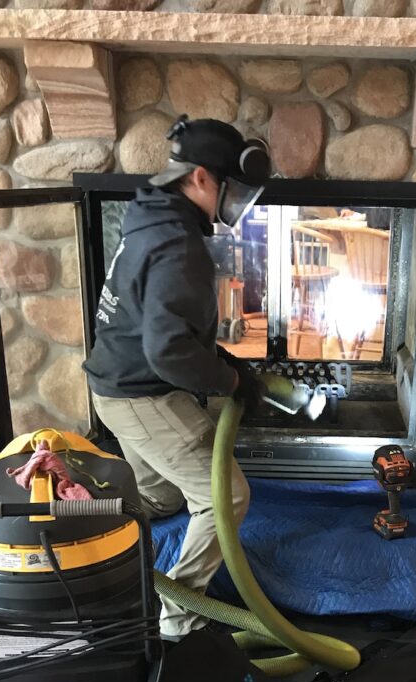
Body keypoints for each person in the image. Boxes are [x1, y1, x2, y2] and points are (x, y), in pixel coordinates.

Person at [83, 116, 271, 639]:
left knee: (160, 499)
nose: (236, 203)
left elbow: (162, 323)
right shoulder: (177, 245)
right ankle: (180, 621)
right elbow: (168, 351)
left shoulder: (148, 213)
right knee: (225, 497)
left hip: (112, 384)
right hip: (143, 394)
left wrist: (221, 361)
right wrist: (231, 382)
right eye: (234, 189)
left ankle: (100, 550)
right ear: (203, 179)